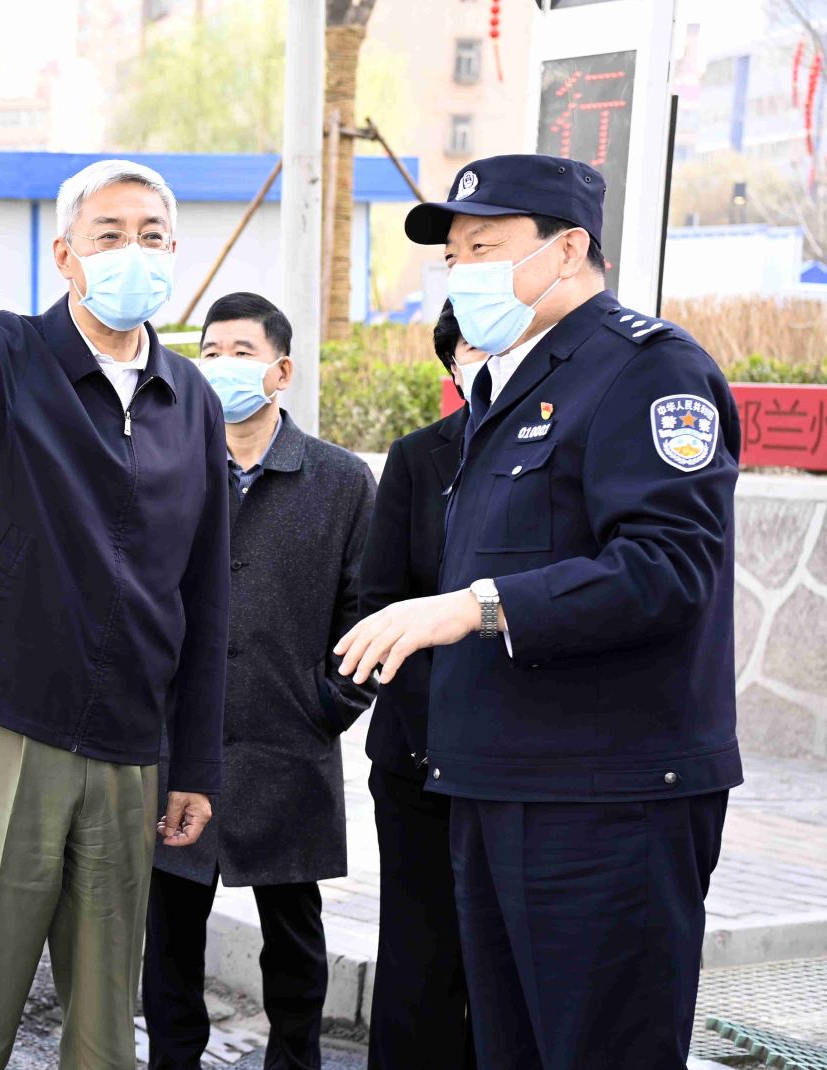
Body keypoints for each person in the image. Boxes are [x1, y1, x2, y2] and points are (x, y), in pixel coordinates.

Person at [336, 154, 741, 1070]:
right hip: (494, 785)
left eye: (486, 246)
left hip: (605, 803)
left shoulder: (646, 370)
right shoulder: (510, 388)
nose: (463, 269)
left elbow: (668, 566)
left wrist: (473, 608)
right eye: (454, 254)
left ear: (568, 249)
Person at [0, 159, 230, 1070]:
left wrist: (194, 761)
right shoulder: (12, 354)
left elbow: (206, 595)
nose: (136, 253)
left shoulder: (189, 399)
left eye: (153, 237)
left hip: (130, 745)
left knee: (103, 1028)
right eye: (111, 236)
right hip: (5, 722)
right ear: (66, 255)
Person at [142, 292, 376, 1070]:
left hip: (287, 739)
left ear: (279, 371)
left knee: (295, 939)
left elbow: (364, 610)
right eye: (209, 350)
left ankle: (296, 1060)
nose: (221, 365)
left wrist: (327, 703)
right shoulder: (164, 467)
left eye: (240, 351)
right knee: (170, 935)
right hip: (181, 744)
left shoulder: (338, 480)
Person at [356, 300, 479, 1070]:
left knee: (503, 972)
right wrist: (442, 730)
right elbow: (381, 605)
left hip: (525, 763)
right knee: (419, 962)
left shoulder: (571, 444)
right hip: (418, 760)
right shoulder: (419, 456)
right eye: (466, 345)